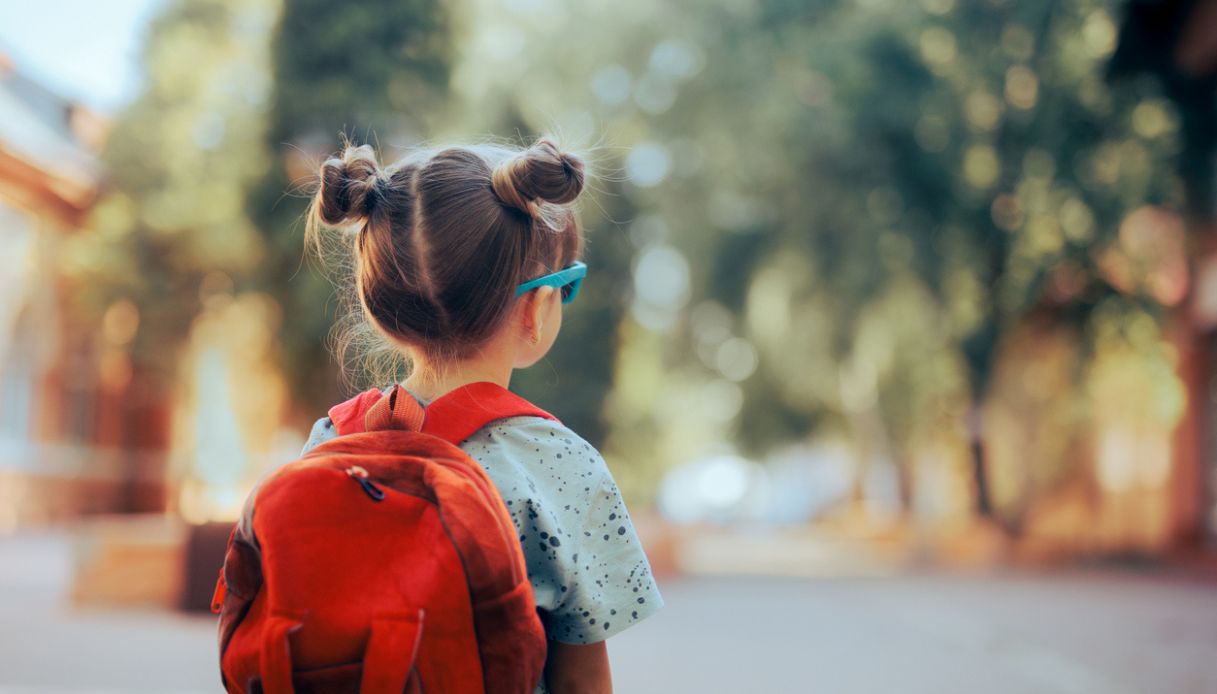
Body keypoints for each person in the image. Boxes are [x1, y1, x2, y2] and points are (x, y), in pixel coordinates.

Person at [299, 138, 663, 693]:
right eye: (565, 287)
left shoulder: (329, 442)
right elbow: (583, 681)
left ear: (382, 310)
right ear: (536, 308)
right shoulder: (559, 464)